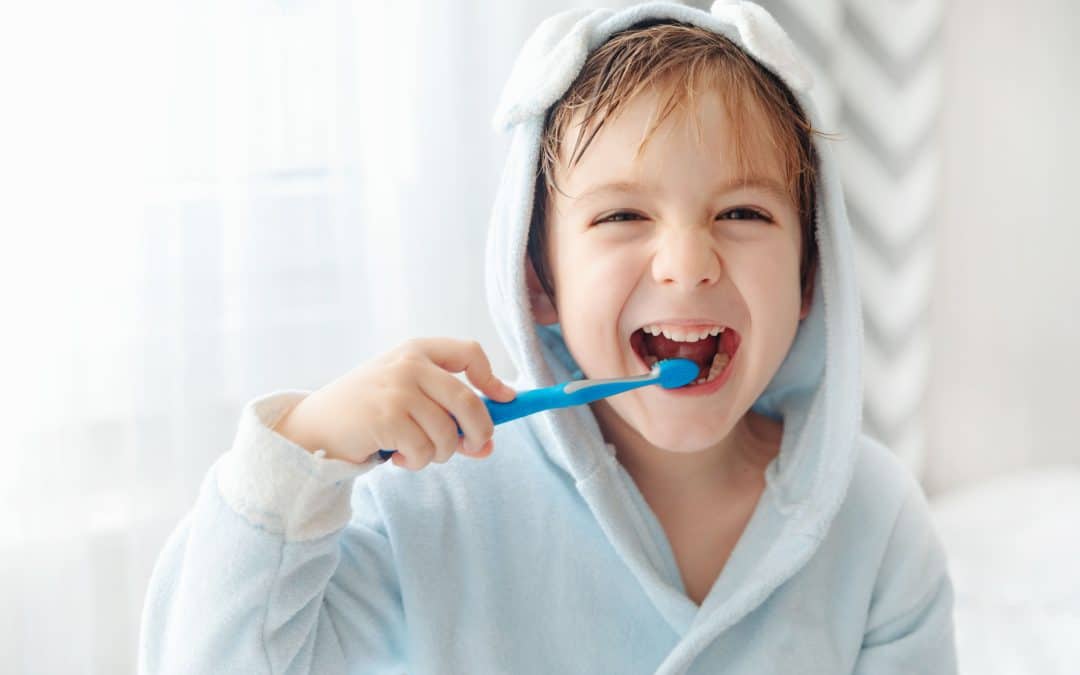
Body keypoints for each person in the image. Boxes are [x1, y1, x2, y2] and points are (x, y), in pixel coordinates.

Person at [138, 2, 957, 673]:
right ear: (538, 281)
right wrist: (305, 449)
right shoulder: (435, 504)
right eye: (623, 215)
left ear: (812, 277)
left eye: (743, 213)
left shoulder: (875, 524)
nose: (688, 262)